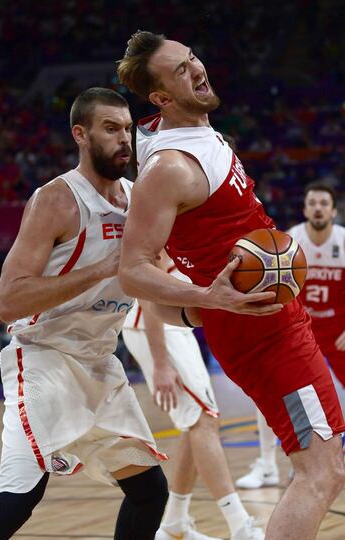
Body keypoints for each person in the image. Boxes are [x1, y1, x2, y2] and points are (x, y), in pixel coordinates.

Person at [116, 31, 345, 540]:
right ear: (160, 98)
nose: (196, 69)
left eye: (192, 57)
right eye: (180, 70)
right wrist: (205, 298)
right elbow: (132, 268)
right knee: (321, 471)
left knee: (321, 467)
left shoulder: (198, 132)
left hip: (270, 318)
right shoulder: (171, 167)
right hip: (261, 333)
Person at [0, 88, 170, 540]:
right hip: (43, 358)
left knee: (150, 491)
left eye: (127, 128)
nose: (124, 139)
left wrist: (213, 297)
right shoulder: (56, 200)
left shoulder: (141, 200)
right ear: (80, 134)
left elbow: (160, 284)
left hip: (100, 361)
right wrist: (104, 267)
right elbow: (8, 302)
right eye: (111, 128)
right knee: (19, 499)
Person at [122, 253, 263, 540]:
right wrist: (161, 362)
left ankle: (174, 523)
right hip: (154, 328)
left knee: (197, 422)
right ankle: (240, 527)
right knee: (203, 420)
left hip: (175, 326)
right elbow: (150, 294)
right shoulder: (159, 213)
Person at [236, 182, 345, 489]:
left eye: (324, 203)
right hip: (302, 331)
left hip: (339, 331)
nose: (318, 208)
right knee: (271, 393)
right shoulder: (290, 241)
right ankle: (268, 465)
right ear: (305, 209)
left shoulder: (344, 241)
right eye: (313, 203)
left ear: (334, 210)